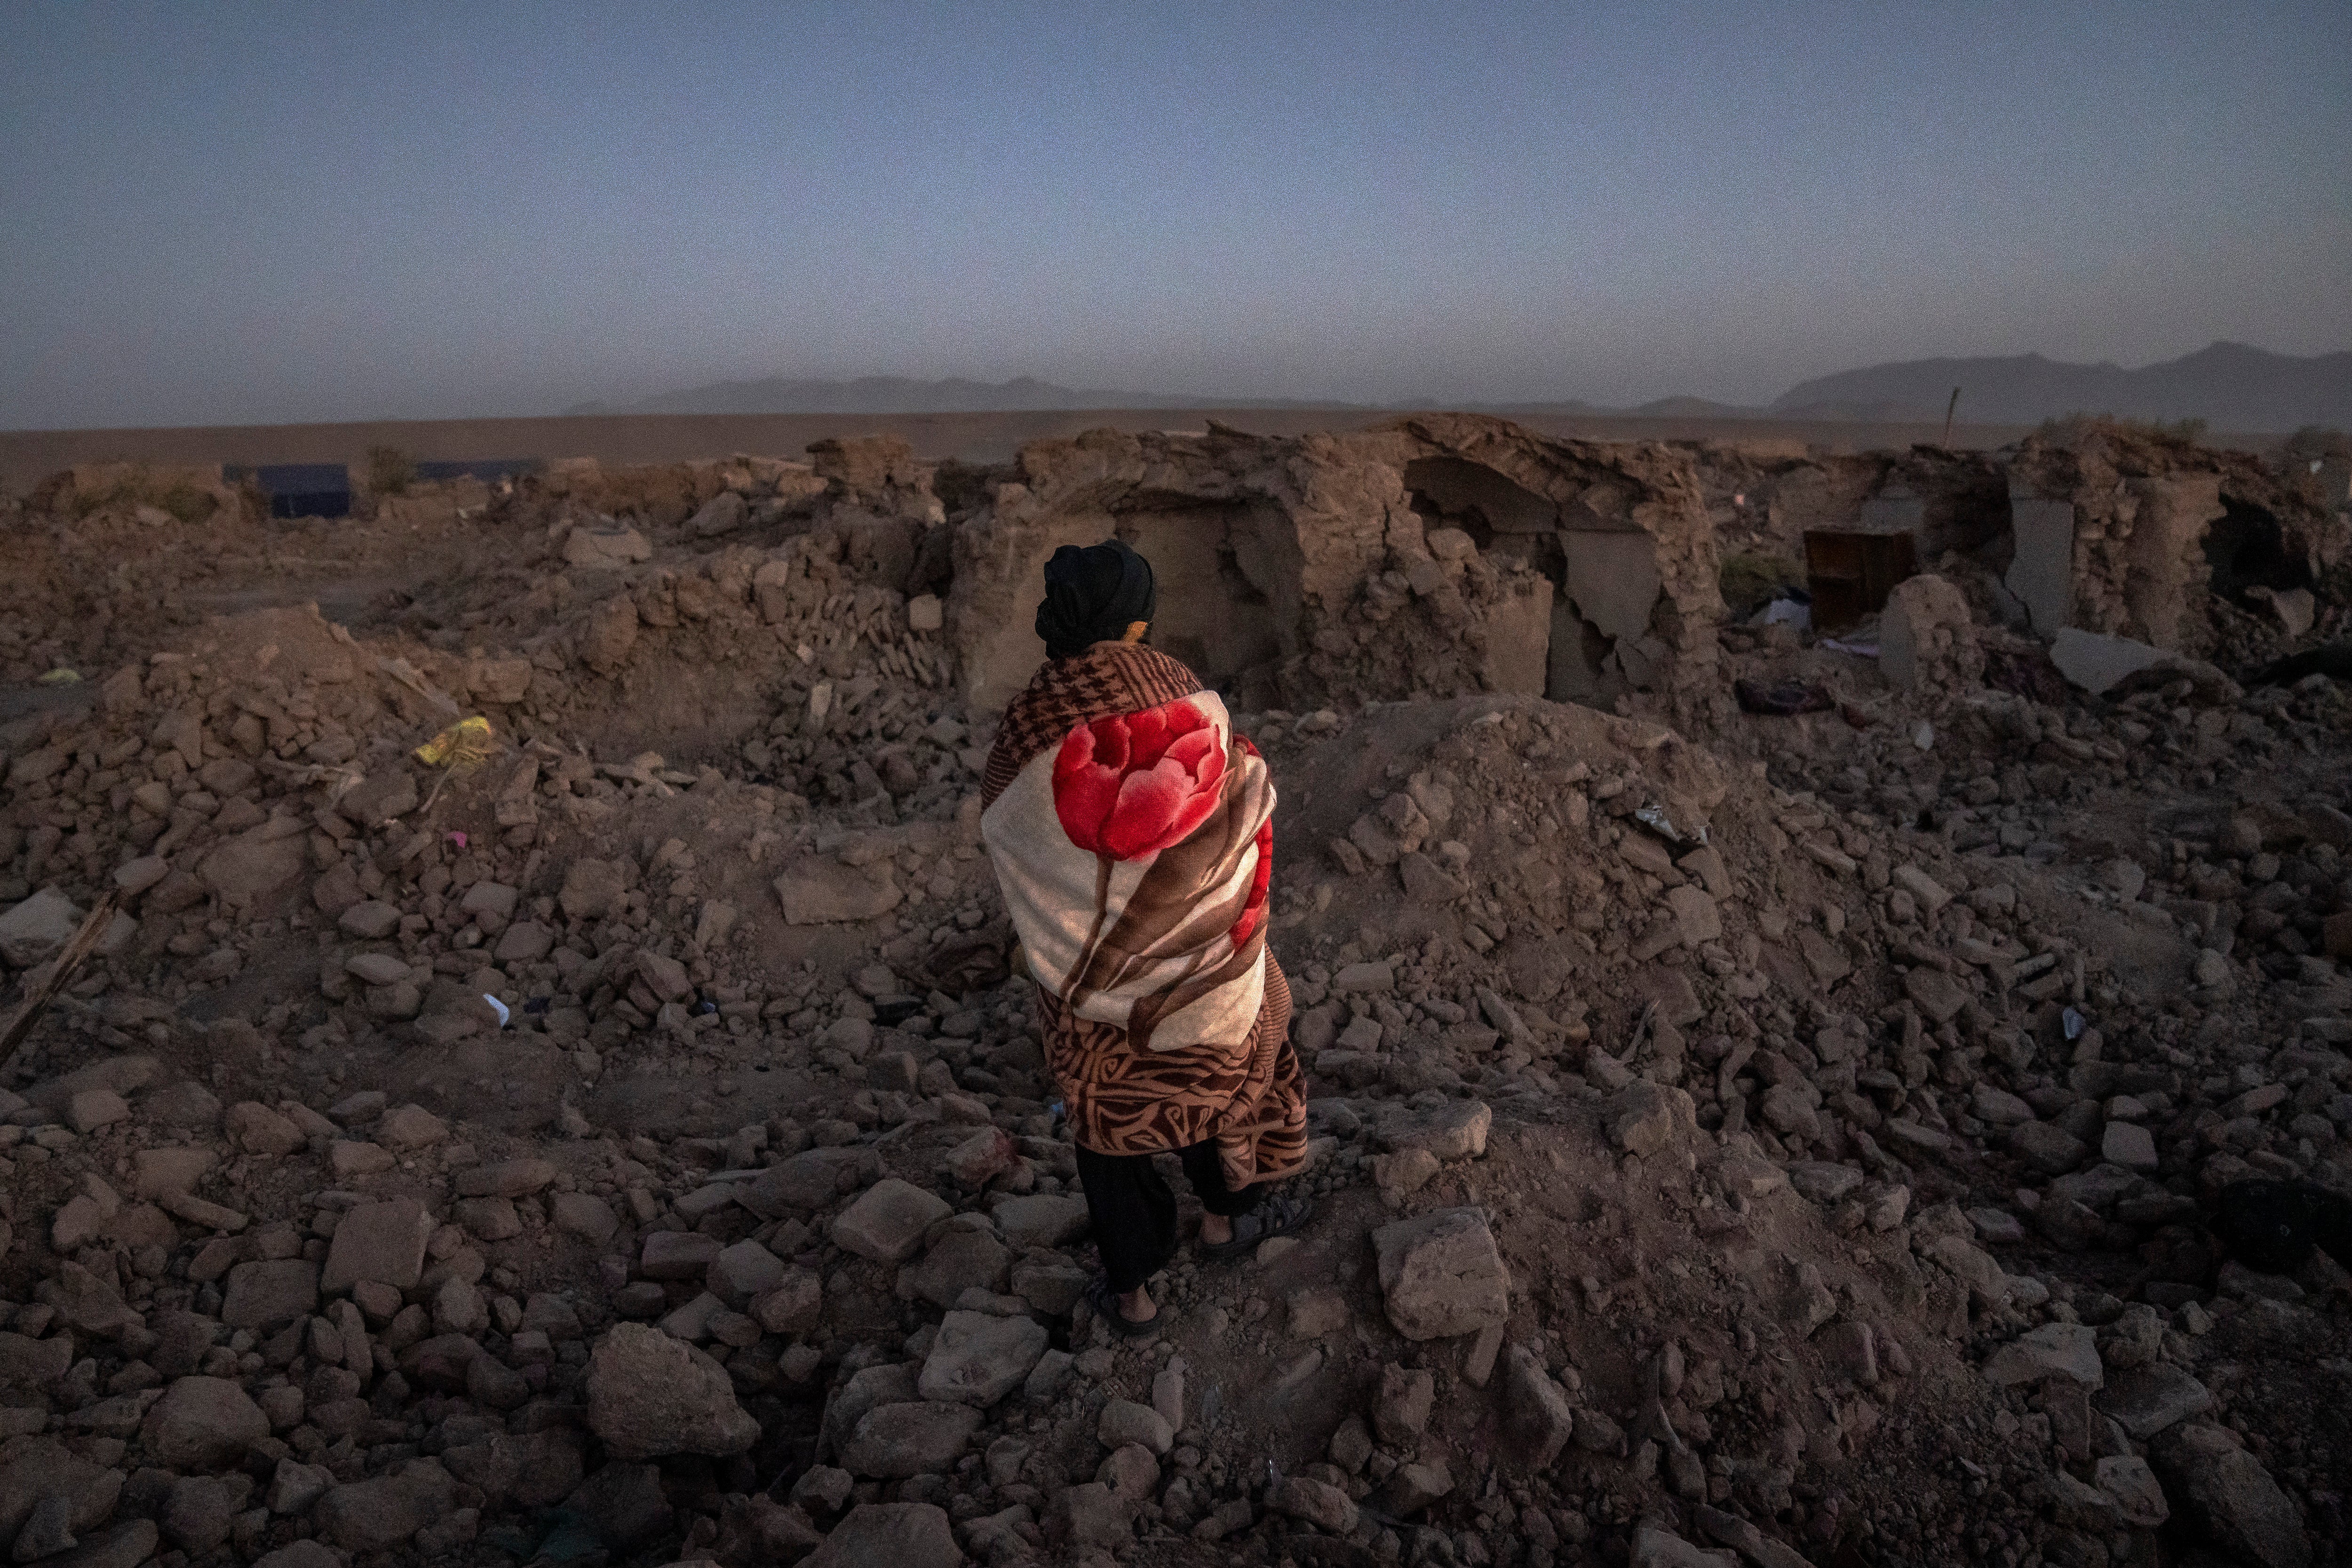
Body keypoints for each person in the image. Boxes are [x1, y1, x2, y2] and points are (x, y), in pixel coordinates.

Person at [979, 539, 1311, 1335]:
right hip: (1204, 968)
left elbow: (1010, 827)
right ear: (1138, 619)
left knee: (1111, 1126)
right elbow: (1242, 788)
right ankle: (1225, 1220)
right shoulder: (1185, 690)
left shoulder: (1029, 722)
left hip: (1091, 989)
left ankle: (1132, 1294)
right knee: (1217, 1072)